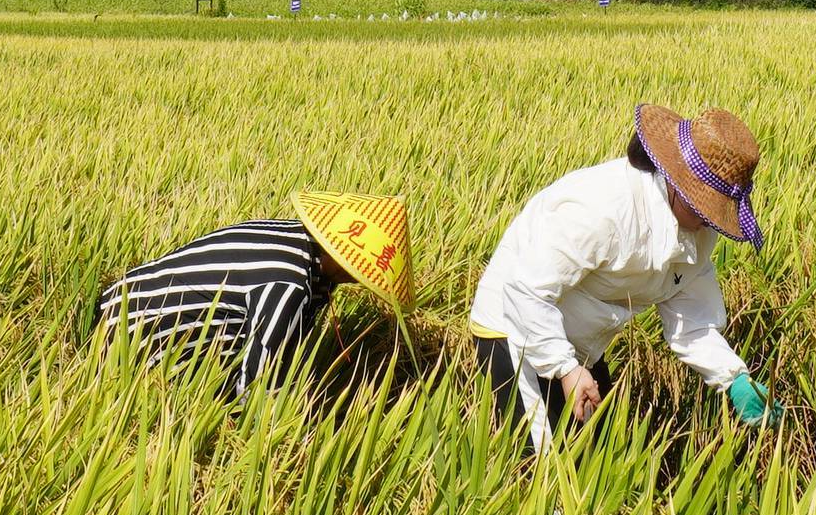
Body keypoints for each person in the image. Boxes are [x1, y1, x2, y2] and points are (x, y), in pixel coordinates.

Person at [467, 103, 776, 449]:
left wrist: (734, 378)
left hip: (581, 340)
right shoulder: (605, 211)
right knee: (546, 471)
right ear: (677, 182)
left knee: (596, 453)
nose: (710, 219)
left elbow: (692, 323)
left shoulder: (700, 233)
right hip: (515, 327)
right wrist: (565, 368)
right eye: (704, 206)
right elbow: (526, 290)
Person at [91, 192, 411, 394]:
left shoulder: (287, 234)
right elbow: (260, 381)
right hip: (129, 341)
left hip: (118, 300)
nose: (361, 282)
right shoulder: (289, 284)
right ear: (345, 262)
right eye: (363, 274)